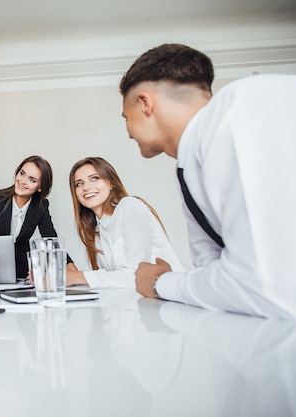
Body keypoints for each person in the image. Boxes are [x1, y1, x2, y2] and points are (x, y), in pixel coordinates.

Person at [120, 43, 296, 318]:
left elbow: (265, 287)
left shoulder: (239, 113)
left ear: (145, 103)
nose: (128, 130)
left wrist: (159, 283)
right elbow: (212, 275)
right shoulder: (187, 167)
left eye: (125, 117)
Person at [66, 157, 183, 287]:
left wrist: (76, 277)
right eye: (79, 183)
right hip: (140, 303)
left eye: (94, 178)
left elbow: (138, 275)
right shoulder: (95, 229)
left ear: (111, 183)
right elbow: (106, 276)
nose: (86, 187)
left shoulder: (129, 206)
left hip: (172, 298)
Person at [0, 155, 75, 279]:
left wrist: (72, 270)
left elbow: (51, 240)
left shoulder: (41, 206)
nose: (23, 181)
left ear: (40, 187)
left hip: (22, 270)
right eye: (22, 173)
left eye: (32, 180)